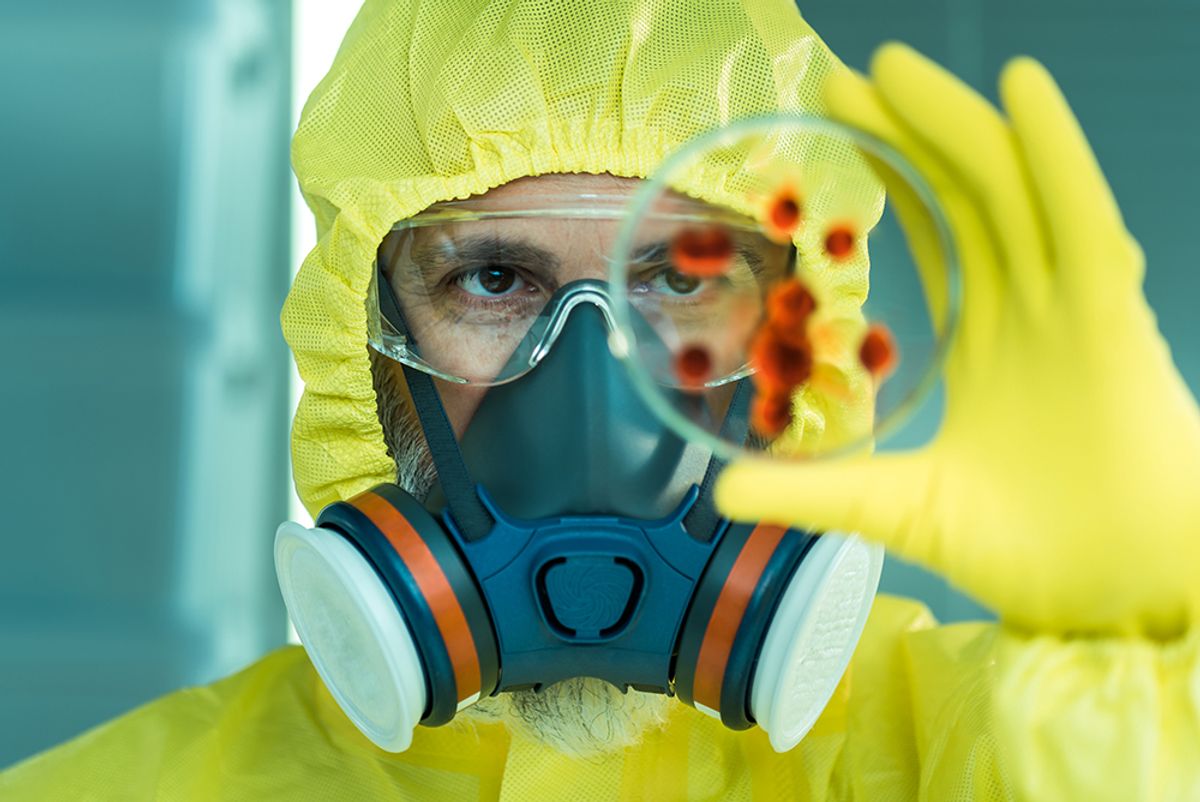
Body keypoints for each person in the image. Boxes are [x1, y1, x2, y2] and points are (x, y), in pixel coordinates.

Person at [3, 0, 1198, 799]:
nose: (592, 388)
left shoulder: (989, 752)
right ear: (363, 345)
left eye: (681, 277)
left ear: (804, 337)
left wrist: (1153, 644)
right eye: (493, 277)